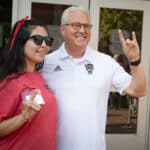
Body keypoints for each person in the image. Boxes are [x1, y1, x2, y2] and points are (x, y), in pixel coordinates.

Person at [42, 5, 146, 150]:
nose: (82, 30)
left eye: (86, 26)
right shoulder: (45, 63)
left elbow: (138, 91)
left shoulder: (105, 62)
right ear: (62, 29)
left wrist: (134, 61)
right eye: (76, 25)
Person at [0, 17, 57, 150]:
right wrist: (22, 117)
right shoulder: (9, 82)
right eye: (37, 40)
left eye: (48, 41)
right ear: (21, 43)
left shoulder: (39, 76)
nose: (44, 45)